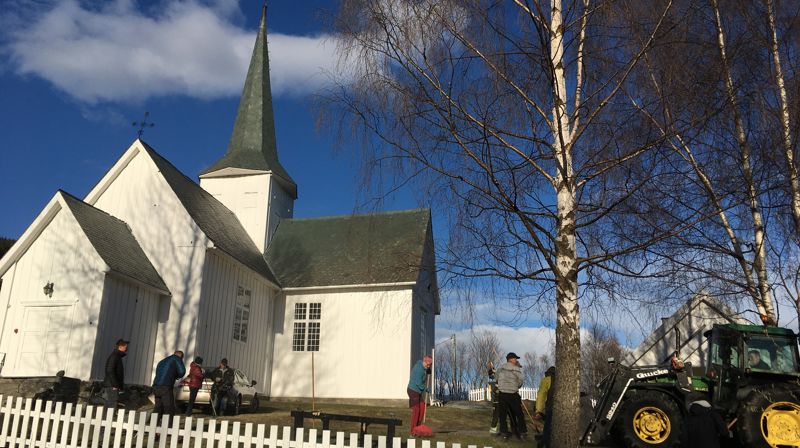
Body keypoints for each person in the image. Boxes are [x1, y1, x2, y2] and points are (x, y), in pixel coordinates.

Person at [497, 352, 527, 441]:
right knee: (519, 414)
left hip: (502, 393)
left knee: (503, 415)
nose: (516, 360)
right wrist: (515, 386)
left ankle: (504, 433)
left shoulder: (500, 369)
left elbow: (496, 379)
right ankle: (522, 432)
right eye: (515, 358)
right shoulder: (517, 370)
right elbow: (520, 382)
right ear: (510, 359)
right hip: (513, 393)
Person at [152, 351, 186, 416]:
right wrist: (176, 376)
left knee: (158, 407)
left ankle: (154, 424)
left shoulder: (162, 361)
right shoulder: (177, 359)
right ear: (181, 357)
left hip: (156, 386)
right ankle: (168, 425)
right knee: (169, 408)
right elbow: (182, 371)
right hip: (165, 387)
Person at [407, 355, 432, 432]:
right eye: (427, 364)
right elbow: (418, 383)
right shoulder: (419, 370)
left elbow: (426, 370)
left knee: (422, 407)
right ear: (424, 361)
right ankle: (413, 430)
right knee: (416, 409)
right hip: (412, 390)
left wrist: (428, 370)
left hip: (417, 391)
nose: (428, 366)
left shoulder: (424, 367)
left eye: (430, 365)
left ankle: (418, 427)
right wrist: (426, 389)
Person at [103, 339, 129, 410]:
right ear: (120, 347)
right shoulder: (115, 356)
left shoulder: (117, 356)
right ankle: (106, 420)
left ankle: (105, 419)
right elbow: (110, 370)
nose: (127, 348)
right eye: (125, 346)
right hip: (112, 385)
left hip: (112, 385)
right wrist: (115, 384)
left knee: (110, 403)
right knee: (111, 404)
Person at [534, 366, 555, 447]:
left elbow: (541, 396)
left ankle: (544, 444)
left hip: (551, 408)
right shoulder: (563, 380)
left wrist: (538, 410)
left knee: (547, 430)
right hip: (564, 411)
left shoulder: (547, 379)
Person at [488, 363, 500, 434]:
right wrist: (492, 368)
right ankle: (493, 430)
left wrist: (493, 368)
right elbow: (492, 374)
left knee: (500, 415)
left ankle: (502, 430)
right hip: (495, 400)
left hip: (500, 399)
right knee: (495, 415)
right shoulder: (492, 380)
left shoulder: (495, 379)